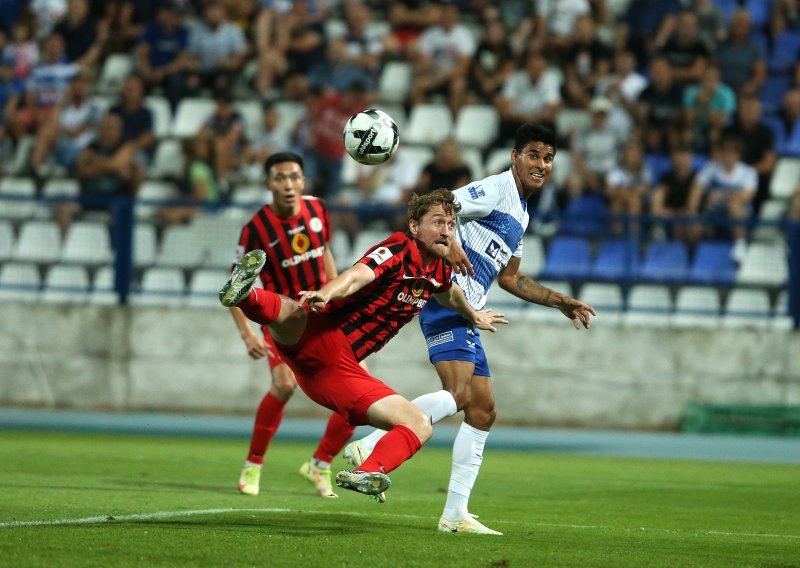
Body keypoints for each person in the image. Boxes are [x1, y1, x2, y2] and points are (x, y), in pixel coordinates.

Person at [344, 123, 596, 535]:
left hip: (471, 308)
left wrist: (560, 301)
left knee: (482, 410)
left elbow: (511, 279)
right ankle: (371, 445)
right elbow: (445, 205)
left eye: (548, 157)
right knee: (460, 395)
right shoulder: (497, 189)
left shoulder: (521, 211)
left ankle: (455, 515)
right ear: (515, 157)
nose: (541, 164)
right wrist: (452, 242)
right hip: (448, 299)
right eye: (533, 155)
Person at [219, 188, 508, 500]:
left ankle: (368, 470)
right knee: (291, 311)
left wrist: (472, 313)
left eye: (451, 225)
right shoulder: (398, 248)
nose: (446, 231)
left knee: (419, 423)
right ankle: (246, 294)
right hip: (325, 332)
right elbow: (358, 274)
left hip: (336, 370)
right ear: (414, 226)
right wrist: (328, 292)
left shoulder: (438, 269)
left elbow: (448, 293)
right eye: (438, 222)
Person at [230, 151, 359, 499]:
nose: (288, 185)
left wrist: (334, 296)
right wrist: (246, 334)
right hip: (281, 319)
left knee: (355, 394)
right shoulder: (255, 229)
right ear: (268, 183)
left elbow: (324, 251)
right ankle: (253, 465)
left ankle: (320, 463)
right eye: (280, 178)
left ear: (303, 181)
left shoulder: (318, 209)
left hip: (319, 315)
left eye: (294, 177)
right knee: (284, 384)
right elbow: (236, 286)